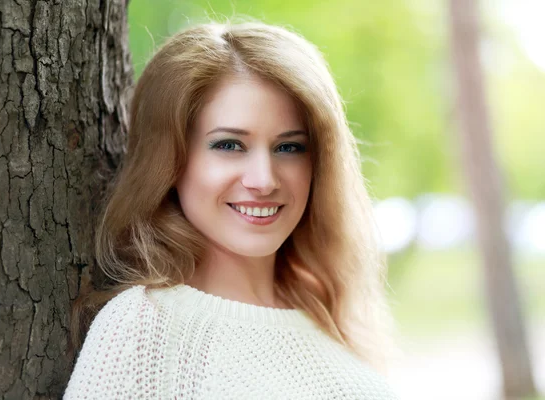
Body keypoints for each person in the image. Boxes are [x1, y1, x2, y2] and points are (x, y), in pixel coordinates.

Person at [64, 21, 399, 399]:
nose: (263, 180)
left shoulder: (330, 312)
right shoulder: (142, 329)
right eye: (229, 145)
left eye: (289, 148)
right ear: (170, 160)